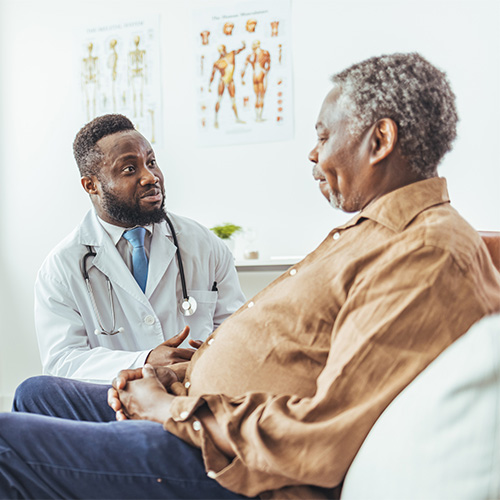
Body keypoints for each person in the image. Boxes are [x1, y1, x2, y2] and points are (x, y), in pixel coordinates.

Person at [3, 52, 500, 499]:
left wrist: (167, 409)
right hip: (201, 405)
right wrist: (172, 376)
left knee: (7, 439)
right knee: (36, 393)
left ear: (380, 140)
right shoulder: (370, 234)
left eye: (324, 136)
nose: (313, 154)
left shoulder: (423, 253)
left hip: (225, 460)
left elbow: (322, 434)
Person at [35, 114, 245, 384]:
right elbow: (62, 361)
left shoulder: (204, 244)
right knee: (34, 391)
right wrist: (145, 362)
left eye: (151, 162)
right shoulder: (61, 268)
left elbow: (235, 331)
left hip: (196, 393)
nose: (150, 177)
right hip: (110, 403)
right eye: (129, 169)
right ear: (91, 185)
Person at [209, 43, 246, 128]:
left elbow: (238, 51)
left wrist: (243, 46)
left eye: (222, 49)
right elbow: (212, 74)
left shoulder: (231, 54)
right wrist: (210, 85)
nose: (221, 51)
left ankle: (237, 118)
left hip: (230, 80)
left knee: (233, 100)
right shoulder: (217, 63)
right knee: (219, 99)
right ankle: (215, 119)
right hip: (222, 81)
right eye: (220, 50)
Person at [241, 40, 271, 122]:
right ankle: (259, 116)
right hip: (260, 73)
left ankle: (258, 116)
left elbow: (244, 68)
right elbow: (268, 64)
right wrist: (266, 71)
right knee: (261, 97)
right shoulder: (263, 53)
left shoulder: (252, 55)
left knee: (257, 96)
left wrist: (242, 78)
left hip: (255, 74)